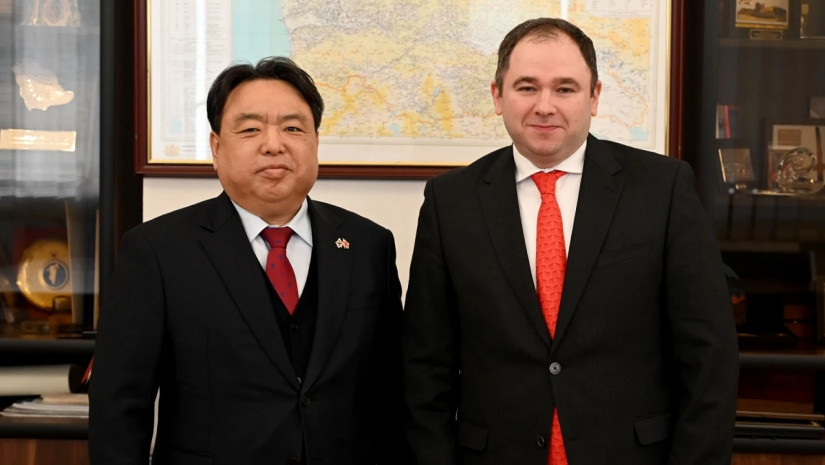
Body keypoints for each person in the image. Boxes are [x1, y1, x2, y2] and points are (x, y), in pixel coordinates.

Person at [402, 18, 738, 465]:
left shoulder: (663, 189)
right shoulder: (450, 202)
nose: (545, 106)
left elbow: (709, 356)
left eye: (565, 88)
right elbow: (425, 366)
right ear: (497, 96)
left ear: (594, 97)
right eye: (526, 87)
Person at [89, 56, 405, 465]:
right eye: (251, 129)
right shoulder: (157, 251)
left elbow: (393, 390)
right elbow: (118, 408)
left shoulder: (368, 245)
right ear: (216, 147)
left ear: (315, 142)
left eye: (293, 128)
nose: (274, 144)